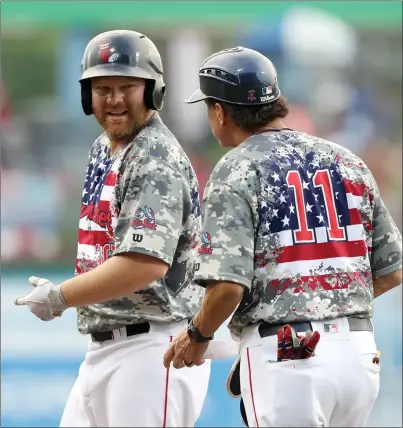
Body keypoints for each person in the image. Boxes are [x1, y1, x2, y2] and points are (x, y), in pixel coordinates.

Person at [163, 46, 402, 427]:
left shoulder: (236, 169)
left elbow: (228, 287)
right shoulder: (345, 160)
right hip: (358, 355)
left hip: (290, 355)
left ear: (221, 112)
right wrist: (325, 306)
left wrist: (197, 334)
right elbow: (391, 271)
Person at [14, 30, 211, 427]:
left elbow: (144, 264)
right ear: (88, 95)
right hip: (106, 346)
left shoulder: (153, 154)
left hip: (153, 347)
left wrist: (60, 295)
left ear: (153, 90)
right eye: (102, 87)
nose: (115, 98)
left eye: (127, 86)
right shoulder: (104, 147)